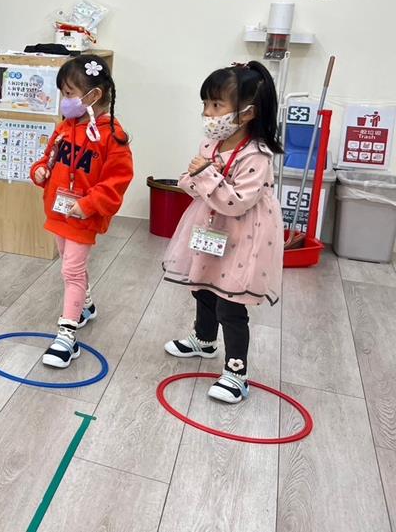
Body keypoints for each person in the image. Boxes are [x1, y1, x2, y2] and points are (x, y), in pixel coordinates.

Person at [162, 61, 284, 404]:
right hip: (210, 226)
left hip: (244, 234)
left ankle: (236, 372)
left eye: (216, 105)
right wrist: (199, 177)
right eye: (206, 104)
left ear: (247, 113)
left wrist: (205, 176)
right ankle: (204, 339)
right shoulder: (210, 145)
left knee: (230, 302)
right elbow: (188, 182)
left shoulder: (257, 155)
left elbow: (237, 202)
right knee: (203, 285)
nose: (208, 113)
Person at [29, 54, 134, 368]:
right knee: (69, 262)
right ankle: (85, 305)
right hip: (58, 212)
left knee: (71, 271)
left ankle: (66, 336)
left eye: (69, 93)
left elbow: (117, 181)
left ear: (94, 95)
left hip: (83, 216)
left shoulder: (113, 136)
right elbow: (47, 158)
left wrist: (88, 205)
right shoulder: (65, 128)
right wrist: (40, 171)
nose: (64, 100)